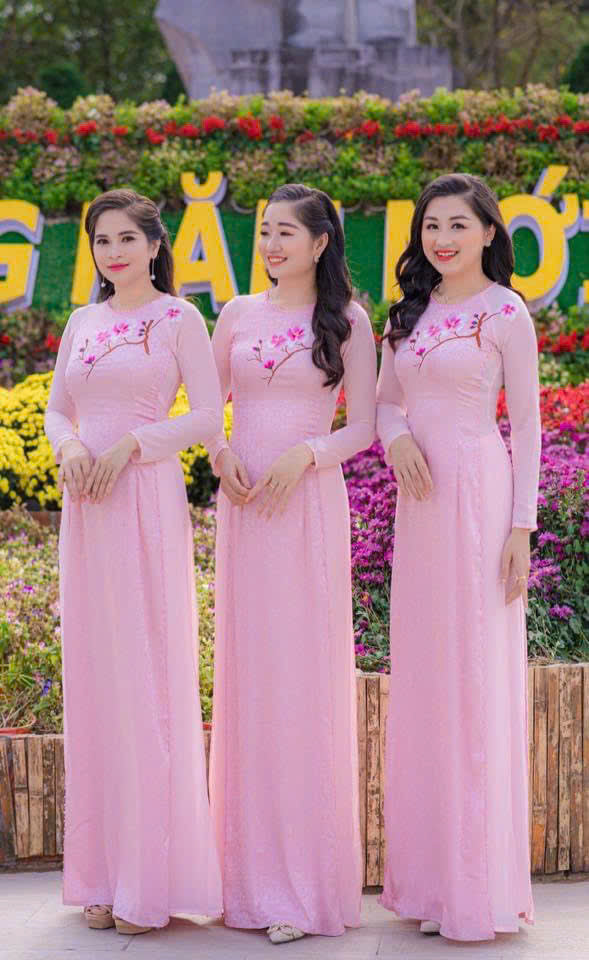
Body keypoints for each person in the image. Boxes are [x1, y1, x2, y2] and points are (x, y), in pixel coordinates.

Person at [44, 189, 223, 935]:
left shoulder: (180, 319)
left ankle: (150, 882)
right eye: (101, 241)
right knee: (96, 681)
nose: (112, 252)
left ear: (154, 245)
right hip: (88, 508)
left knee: (147, 679)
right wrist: (70, 447)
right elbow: (58, 409)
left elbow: (206, 416)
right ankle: (101, 875)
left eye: (126, 239)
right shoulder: (82, 322)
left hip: (145, 500)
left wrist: (132, 444)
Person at [208, 184, 376, 944]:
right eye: (265, 232)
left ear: (320, 242)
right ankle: (242, 883)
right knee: (250, 682)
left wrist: (305, 455)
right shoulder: (237, 315)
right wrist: (219, 455)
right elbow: (205, 406)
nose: (272, 245)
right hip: (245, 512)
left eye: (286, 232)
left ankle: (299, 892)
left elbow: (362, 428)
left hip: (305, 510)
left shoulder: (348, 321)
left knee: (301, 683)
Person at [376, 173, 540, 941]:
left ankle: (477, 886)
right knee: (426, 678)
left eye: (457, 225)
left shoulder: (505, 312)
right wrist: (397, 439)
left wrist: (520, 529)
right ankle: (430, 885)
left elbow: (528, 427)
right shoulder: (407, 313)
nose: (441, 239)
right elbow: (385, 403)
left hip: (479, 496)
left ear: (487, 233)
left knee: (473, 677)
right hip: (420, 507)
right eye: (431, 226)